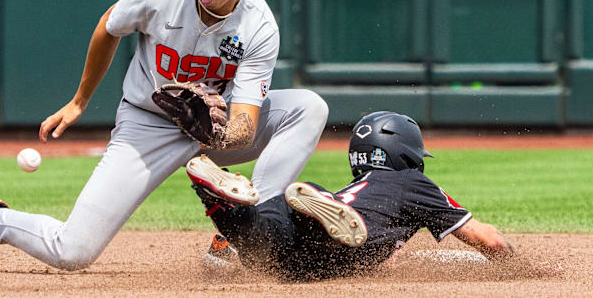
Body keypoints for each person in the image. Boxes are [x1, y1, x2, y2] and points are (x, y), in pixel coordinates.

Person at [0, 0, 328, 271]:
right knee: (72, 252)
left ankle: (246, 226)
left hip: (213, 127)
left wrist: (216, 134)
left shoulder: (258, 25)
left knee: (309, 107)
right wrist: (79, 100)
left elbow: (245, 123)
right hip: (148, 124)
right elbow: (109, 26)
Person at [184, 111, 515, 280]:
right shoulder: (412, 181)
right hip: (334, 253)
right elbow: (488, 240)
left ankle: (219, 206)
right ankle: (317, 207)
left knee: (264, 238)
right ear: (406, 152)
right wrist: (520, 267)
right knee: (338, 235)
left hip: (288, 262)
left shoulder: (359, 189)